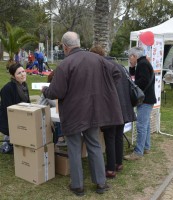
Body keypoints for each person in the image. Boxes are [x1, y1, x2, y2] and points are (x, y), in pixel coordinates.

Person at [42, 31, 123, 196]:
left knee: (74, 147)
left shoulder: (65, 64)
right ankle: (101, 183)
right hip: (94, 111)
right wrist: (103, 90)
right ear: (78, 43)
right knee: (94, 145)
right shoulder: (98, 59)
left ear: (65, 47)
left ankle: (78, 185)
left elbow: (56, 91)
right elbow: (117, 73)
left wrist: (45, 91)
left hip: (73, 113)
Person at [89, 45, 136, 178]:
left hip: (111, 108)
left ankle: (110, 169)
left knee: (110, 137)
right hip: (124, 107)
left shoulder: (102, 67)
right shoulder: (119, 66)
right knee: (118, 136)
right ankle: (118, 163)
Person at [124, 47, 156, 160]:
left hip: (145, 100)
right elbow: (134, 77)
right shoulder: (143, 62)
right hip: (148, 99)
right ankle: (146, 147)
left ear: (134, 56)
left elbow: (142, 81)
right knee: (145, 125)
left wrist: (134, 87)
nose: (129, 60)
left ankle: (138, 151)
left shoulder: (142, 64)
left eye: (130, 57)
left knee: (141, 126)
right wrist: (132, 68)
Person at [0, 63, 30, 153]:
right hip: (10, 119)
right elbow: (7, 110)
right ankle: (7, 142)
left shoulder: (24, 85)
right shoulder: (7, 89)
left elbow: (28, 102)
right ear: (13, 76)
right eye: (19, 73)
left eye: (23, 71)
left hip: (22, 115)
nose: (23, 74)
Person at [38, 71, 66, 146]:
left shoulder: (54, 89)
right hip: (42, 113)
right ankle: (60, 138)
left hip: (50, 112)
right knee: (60, 116)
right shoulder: (49, 91)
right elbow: (56, 104)